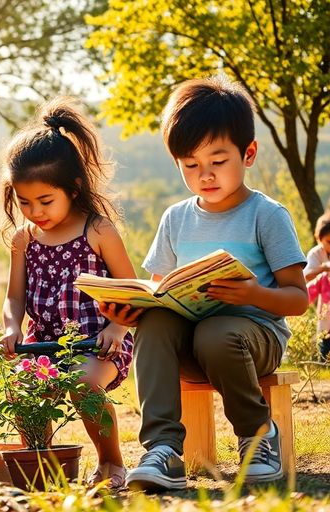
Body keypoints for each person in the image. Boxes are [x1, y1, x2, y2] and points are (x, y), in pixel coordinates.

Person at [103, 77, 308, 490]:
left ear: (248, 153)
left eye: (217, 161)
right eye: (190, 165)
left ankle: (258, 437)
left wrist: (253, 294)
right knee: (157, 324)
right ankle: (162, 450)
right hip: (191, 342)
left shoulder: (266, 215)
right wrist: (129, 311)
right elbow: (160, 291)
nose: (205, 175)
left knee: (217, 331)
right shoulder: (176, 218)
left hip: (253, 341)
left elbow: (298, 299)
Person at [0, 97, 136, 489]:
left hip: (99, 341)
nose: (35, 211)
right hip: (41, 344)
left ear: (73, 189)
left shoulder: (98, 230)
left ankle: (111, 464)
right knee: (21, 391)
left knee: (82, 381)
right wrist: (11, 328)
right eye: (24, 202)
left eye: (45, 201)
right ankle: (41, 468)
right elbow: (14, 297)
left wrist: (116, 328)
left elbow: (131, 290)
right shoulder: (24, 238)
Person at [302, 210, 330, 361]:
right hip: (326, 304)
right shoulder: (315, 254)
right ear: (319, 239)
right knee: (325, 339)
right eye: (328, 242)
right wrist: (324, 268)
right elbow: (306, 276)